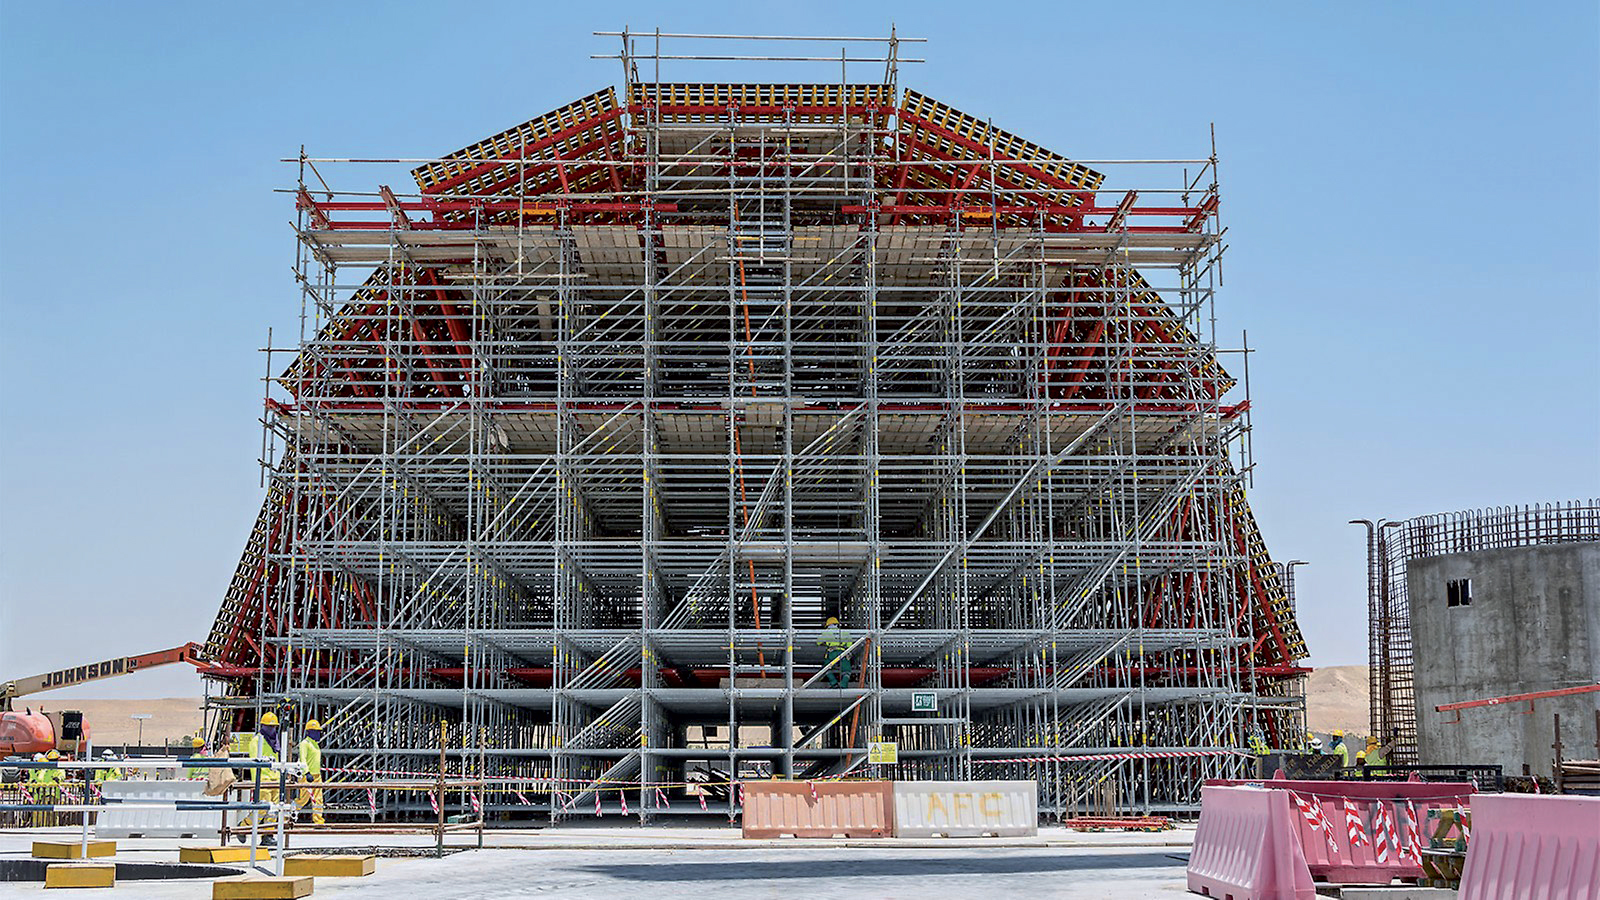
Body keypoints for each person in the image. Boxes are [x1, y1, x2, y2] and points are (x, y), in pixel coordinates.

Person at [237, 712, 281, 841]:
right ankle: (244, 827)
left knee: (273, 810)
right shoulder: (256, 740)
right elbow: (255, 761)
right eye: (269, 726)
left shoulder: (276, 741)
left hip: (275, 779)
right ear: (263, 726)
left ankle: (268, 835)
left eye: (274, 727)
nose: (272, 729)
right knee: (262, 808)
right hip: (262, 780)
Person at [295, 720, 325, 825]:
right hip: (306, 777)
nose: (318, 733)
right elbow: (303, 759)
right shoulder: (305, 743)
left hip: (317, 776)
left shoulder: (315, 744)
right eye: (315, 731)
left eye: (318, 731)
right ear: (309, 732)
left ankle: (318, 821)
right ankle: (288, 815)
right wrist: (307, 773)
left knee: (318, 799)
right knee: (302, 800)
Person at [817, 617, 853, 688]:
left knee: (826, 668)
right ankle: (843, 685)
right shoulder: (844, 632)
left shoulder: (826, 632)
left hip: (832, 653)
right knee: (847, 670)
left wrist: (825, 643)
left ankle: (834, 684)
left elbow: (818, 642)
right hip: (843, 653)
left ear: (828, 625)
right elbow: (850, 644)